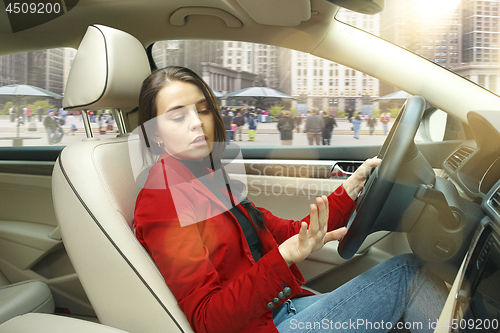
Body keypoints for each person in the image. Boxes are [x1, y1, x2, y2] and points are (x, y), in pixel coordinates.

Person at [134, 66, 447, 333]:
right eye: (178, 117)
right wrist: (281, 259)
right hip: (267, 326)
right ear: (156, 135)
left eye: (202, 110)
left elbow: (285, 232)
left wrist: (350, 190)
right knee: (409, 273)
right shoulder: (162, 200)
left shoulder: (207, 174)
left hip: (281, 310)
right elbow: (206, 320)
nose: (197, 123)